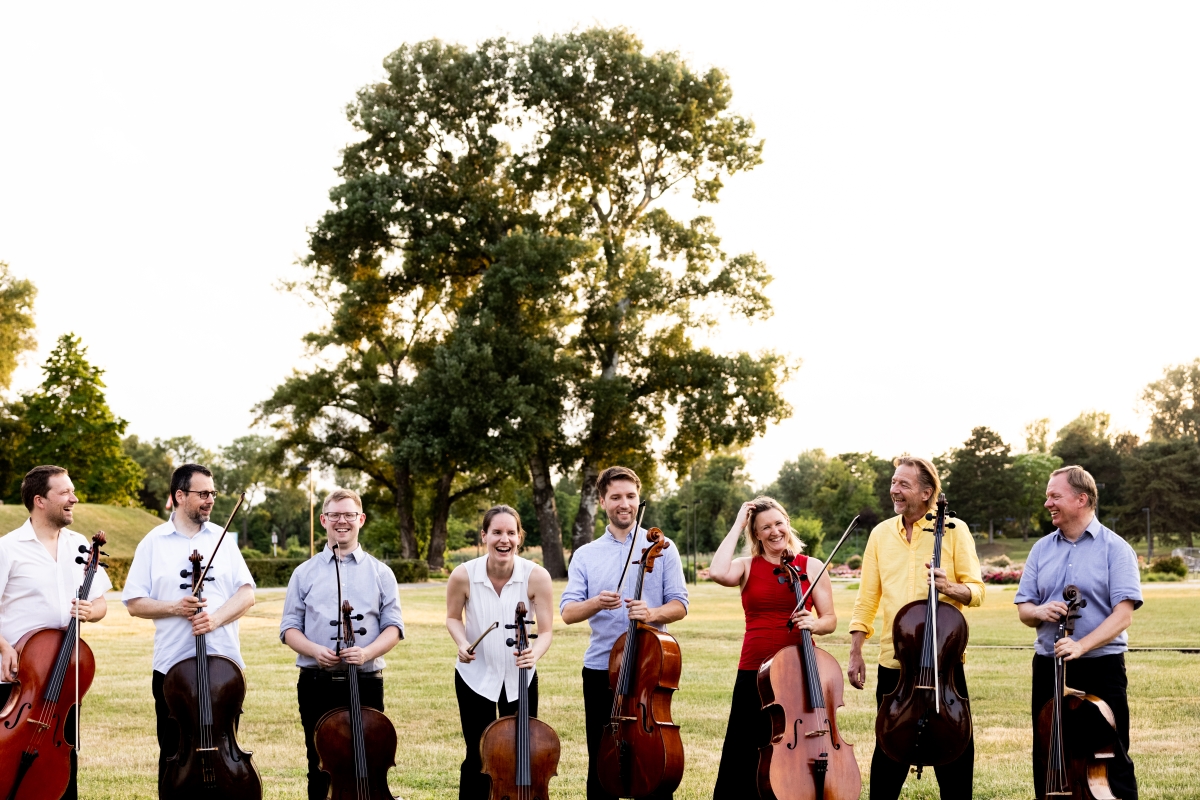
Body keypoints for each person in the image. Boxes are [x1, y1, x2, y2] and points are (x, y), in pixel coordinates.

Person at [847, 455, 984, 799]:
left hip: (944, 667)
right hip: (895, 665)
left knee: (955, 758)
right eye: (893, 482)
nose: (894, 489)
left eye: (903, 484)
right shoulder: (880, 534)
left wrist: (951, 588)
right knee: (888, 758)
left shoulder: (954, 531)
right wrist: (855, 650)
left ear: (926, 493)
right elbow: (867, 597)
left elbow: (977, 591)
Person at [123, 463, 256, 796]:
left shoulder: (222, 541)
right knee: (174, 755)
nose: (210, 500)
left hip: (222, 670)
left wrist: (215, 619)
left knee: (225, 750)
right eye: (203, 494)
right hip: (173, 671)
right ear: (179, 496)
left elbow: (247, 593)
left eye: (212, 493)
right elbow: (134, 602)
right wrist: (174, 607)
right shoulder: (153, 543)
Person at [560, 465, 689, 800]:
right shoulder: (586, 555)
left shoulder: (663, 547)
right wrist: (596, 603)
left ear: (638, 499)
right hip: (602, 670)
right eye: (615, 497)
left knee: (652, 760)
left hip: (648, 669)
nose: (624, 503)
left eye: (630, 496)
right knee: (602, 764)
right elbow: (568, 613)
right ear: (603, 501)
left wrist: (652, 612)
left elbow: (680, 604)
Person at [1015, 465, 1141, 800]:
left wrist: (1081, 645)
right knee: (1049, 758)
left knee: (1109, 760)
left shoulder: (1116, 549)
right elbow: (1024, 609)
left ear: (1081, 499)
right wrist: (1039, 611)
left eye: (1054, 496)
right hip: (1048, 667)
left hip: (1100, 668)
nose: (1047, 503)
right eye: (1047, 497)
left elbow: (1123, 616)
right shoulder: (1041, 549)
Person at [706, 496, 836, 799]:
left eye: (779, 523)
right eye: (765, 527)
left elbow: (829, 619)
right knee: (745, 748)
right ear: (756, 534)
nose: (774, 531)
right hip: (755, 669)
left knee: (794, 744)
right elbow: (716, 572)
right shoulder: (746, 566)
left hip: (800, 669)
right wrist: (739, 522)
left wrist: (813, 624)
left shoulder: (812, 566)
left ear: (787, 523)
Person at [281, 487, 404, 800]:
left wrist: (366, 652)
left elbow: (394, 628)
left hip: (366, 681)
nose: (342, 521)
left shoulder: (382, 573)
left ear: (360, 519)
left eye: (349, 514)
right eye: (335, 515)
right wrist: (313, 650)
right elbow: (289, 629)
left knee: (371, 760)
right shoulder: (303, 573)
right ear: (323, 520)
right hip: (316, 683)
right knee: (320, 763)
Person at [0, 466, 111, 800]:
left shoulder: (81, 546)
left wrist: (93, 610)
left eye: (72, 491)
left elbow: (102, 602)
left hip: (64, 682)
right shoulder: (8, 548)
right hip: (17, 679)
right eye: (65, 493)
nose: (73, 498)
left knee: (61, 765)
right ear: (40, 500)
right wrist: (4, 647)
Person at [446, 504, 554, 800]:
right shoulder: (463, 575)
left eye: (510, 532)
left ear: (520, 537)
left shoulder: (537, 576)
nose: (503, 539)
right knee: (478, 754)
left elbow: (545, 631)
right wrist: (460, 642)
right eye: (496, 532)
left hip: (521, 677)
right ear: (484, 536)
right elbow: (453, 618)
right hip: (474, 677)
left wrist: (534, 653)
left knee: (521, 752)